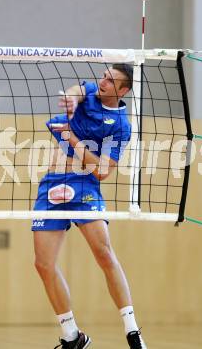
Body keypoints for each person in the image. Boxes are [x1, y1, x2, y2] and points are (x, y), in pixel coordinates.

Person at [32, 64, 147, 349]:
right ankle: (72, 335)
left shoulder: (121, 126)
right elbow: (77, 90)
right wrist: (72, 97)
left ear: (124, 90)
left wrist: (73, 139)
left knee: (104, 253)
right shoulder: (92, 90)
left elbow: (102, 171)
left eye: (111, 81)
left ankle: (132, 330)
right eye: (104, 76)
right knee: (43, 264)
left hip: (85, 186)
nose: (103, 82)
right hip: (52, 185)